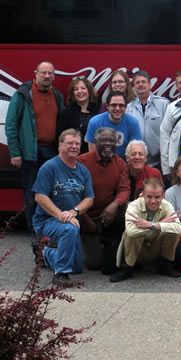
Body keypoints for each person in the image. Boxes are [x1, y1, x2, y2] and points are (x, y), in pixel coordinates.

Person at [5, 61, 64, 236]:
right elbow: (11, 125)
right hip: (30, 152)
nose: (47, 76)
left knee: (52, 191)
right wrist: (15, 152)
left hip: (51, 151)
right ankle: (35, 230)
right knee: (31, 192)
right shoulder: (23, 94)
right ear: (35, 73)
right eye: (43, 72)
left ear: (54, 76)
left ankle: (48, 227)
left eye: (50, 73)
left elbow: (62, 121)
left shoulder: (57, 95)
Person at [32, 129, 94, 286]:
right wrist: (60, 215)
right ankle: (60, 274)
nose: (74, 146)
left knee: (77, 266)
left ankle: (44, 252)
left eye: (77, 143)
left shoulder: (83, 171)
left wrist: (74, 212)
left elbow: (89, 198)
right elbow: (40, 196)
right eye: (70, 143)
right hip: (46, 221)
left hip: (70, 219)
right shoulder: (49, 167)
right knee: (69, 229)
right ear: (60, 145)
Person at [77, 128, 130, 275]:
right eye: (104, 140)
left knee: (129, 206)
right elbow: (74, 197)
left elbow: (125, 189)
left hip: (108, 215)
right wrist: (87, 221)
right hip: (88, 216)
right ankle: (52, 249)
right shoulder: (82, 162)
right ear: (95, 142)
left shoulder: (119, 163)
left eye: (111, 141)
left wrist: (114, 205)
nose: (108, 144)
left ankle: (120, 247)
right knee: (94, 264)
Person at [111, 178, 181, 282]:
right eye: (149, 196)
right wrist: (162, 223)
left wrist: (149, 224)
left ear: (162, 195)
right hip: (138, 251)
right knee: (132, 234)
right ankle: (128, 268)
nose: (153, 201)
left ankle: (164, 266)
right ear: (142, 195)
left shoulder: (167, 205)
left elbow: (178, 228)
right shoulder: (133, 206)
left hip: (155, 249)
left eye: (157, 197)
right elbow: (131, 231)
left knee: (174, 232)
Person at [126, 70, 170, 170]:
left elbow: (170, 132)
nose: (140, 84)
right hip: (137, 162)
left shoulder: (163, 104)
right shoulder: (129, 108)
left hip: (160, 163)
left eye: (143, 82)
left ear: (149, 84)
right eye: (137, 82)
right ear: (134, 86)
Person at [86, 91, 142, 160]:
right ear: (107, 106)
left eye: (121, 105)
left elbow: (135, 150)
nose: (117, 108)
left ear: (126, 106)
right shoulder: (94, 122)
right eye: (114, 105)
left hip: (124, 166)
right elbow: (92, 155)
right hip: (101, 165)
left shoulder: (133, 122)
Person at [57, 78, 100, 154]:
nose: (80, 91)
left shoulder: (99, 110)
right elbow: (60, 136)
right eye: (76, 89)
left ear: (89, 91)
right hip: (73, 155)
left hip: (95, 155)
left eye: (83, 88)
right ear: (73, 93)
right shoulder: (66, 112)